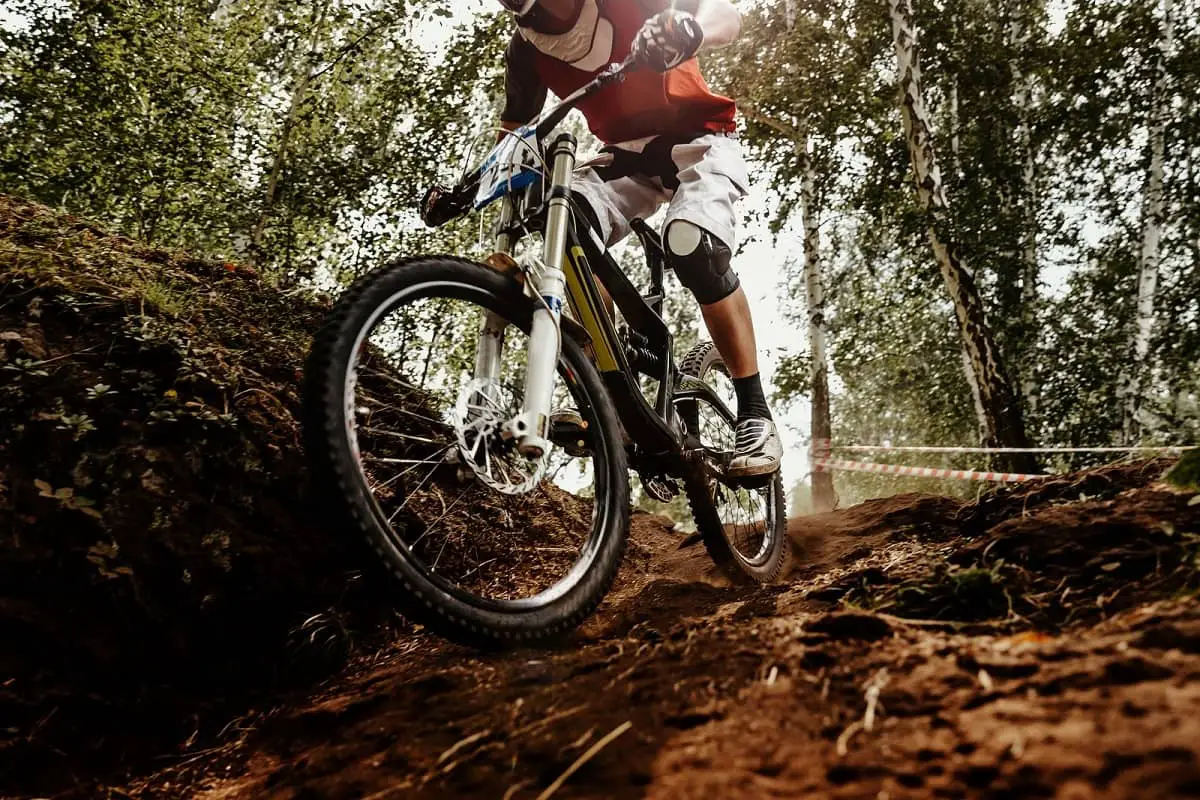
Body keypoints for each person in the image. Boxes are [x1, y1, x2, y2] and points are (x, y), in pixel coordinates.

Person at [496, 0, 782, 479]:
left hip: (701, 140)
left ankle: (755, 414)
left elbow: (726, 15)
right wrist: (472, 183)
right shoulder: (527, 48)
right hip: (625, 158)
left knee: (693, 246)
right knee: (561, 224)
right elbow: (512, 137)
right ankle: (612, 389)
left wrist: (693, 30)